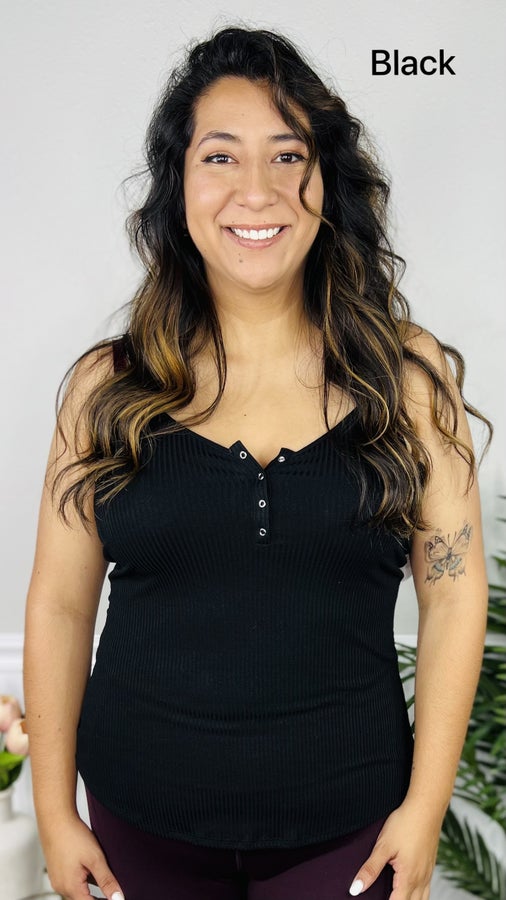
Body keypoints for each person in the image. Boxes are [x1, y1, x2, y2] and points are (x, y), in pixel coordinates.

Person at [23, 25, 491, 900]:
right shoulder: (106, 388)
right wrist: (54, 809)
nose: (257, 190)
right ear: (179, 184)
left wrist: (426, 809)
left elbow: (455, 592)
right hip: (136, 824)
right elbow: (58, 603)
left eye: (288, 155)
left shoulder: (406, 380)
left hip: (350, 832)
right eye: (220, 156)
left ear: (327, 180)